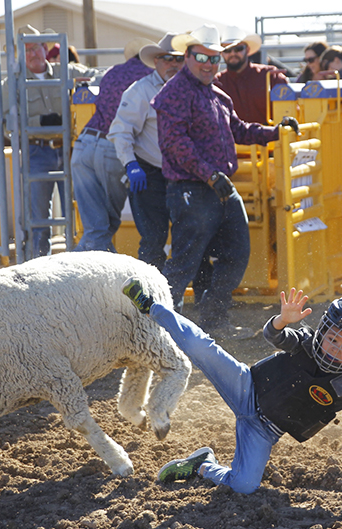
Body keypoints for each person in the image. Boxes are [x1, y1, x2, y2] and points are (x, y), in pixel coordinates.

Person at [122, 281, 342, 494]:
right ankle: (151, 306)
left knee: (245, 487)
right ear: (324, 329)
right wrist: (281, 320)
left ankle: (202, 465)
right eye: (333, 338)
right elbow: (273, 335)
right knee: (201, 346)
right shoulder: (306, 342)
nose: (335, 348)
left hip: (263, 429)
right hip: (245, 387)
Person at [150, 25, 298, 332]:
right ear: (188, 56)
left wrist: (276, 130)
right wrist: (210, 175)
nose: (208, 63)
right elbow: (174, 144)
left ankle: (212, 319)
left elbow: (239, 130)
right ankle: (164, 326)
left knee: (235, 252)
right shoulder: (175, 92)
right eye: (202, 56)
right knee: (186, 261)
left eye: (214, 57)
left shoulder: (215, 94)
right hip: (194, 187)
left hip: (215, 185)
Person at [6, 24, 98, 258]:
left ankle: (79, 263)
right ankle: (39, 267)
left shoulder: (65, 71)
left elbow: (98, 77)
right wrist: (39, 122)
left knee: (76, 209)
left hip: (70, 150)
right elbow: (9, 123)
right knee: (38, 216)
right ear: (19, 53)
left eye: (35, 48)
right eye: (25, 50)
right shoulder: (13, 83)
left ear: (45, 48)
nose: (32, 54)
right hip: (37, 151)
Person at [71, 38, 154, 252]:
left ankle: (87, 277)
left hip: (83, 145)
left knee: (95, 228)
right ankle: (67, 277)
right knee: (102, 228)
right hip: (112, 149)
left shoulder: (112, 72)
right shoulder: (150, 79)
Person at [107, 34, 182, 268]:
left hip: (184, 174)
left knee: (190, 237)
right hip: (150, 172)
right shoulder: (140, 91)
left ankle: (193, 296)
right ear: (156, 61)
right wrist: (131, 164)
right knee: (153, 240)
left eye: (178, 59)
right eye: (166, 58)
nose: (172, 63)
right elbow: (120, 131)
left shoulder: (190, 89)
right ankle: (153, 299)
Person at [214, 27, 289, 125]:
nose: (233, 53)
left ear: (248, 50)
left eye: (238, 49)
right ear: (221, 53)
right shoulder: (216, 82)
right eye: (227, 50)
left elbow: (288, 112)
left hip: (271, 138)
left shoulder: (271, 76)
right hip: (234, 139)